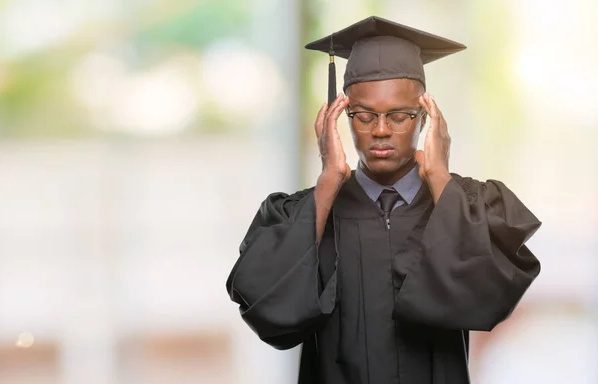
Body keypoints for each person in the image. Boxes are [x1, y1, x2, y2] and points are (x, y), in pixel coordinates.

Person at [226, 16, 541, 384]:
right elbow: (267, 309)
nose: (380, 130)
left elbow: (490, 300)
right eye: (364, 116)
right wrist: (327, 184)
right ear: (340, 117)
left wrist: (441, 179)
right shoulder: (304, 213)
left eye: (399, 115)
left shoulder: (470, 206)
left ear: (425, 117)